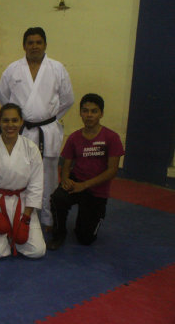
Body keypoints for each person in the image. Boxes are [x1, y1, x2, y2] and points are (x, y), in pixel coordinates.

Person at [0, 27, 74, 229]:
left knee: (48, 175)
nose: (34, 46)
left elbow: (68, 99)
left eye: (38, 42)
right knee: (20, 172)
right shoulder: (13, 69)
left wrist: (48, 118)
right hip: (21, 130)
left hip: (46, 131)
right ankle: (20, 213)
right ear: (24, 45)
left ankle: (48, 217)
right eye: (30, 42)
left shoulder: (57, 68)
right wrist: (18, 121)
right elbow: (4, 98)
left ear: (45, 45)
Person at [47, 94, 124, 250]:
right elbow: (67, 165)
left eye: (94, 111)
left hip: (97, 190)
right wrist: (65, 180)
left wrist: (85, 185)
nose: (89, 115)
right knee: (57, 197)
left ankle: (87, 221)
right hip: (76, 182)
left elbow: (112, 171)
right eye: (85, 111)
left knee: (85, 238)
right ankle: (59, 233)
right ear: (80, 113)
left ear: (101, 113)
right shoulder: (74, 137)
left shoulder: (111, 137)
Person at [0, 104, 46, 259]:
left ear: (21, 121)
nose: (10, 125)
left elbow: (36, 184)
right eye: (6, 121)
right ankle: (4, 237)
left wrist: (27, 218)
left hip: (22, 203)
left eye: (14, 120)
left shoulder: (31, 147)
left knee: (37, 251)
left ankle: (13, 233)